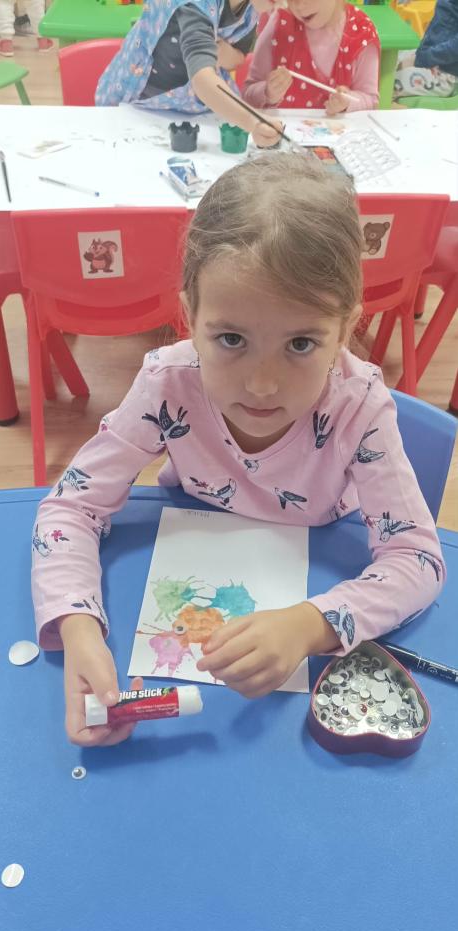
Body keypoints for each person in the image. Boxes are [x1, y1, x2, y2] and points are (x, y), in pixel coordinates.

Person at [31, 152, 445, 748]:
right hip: (187, 563)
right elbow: (71, 507)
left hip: (316, 561)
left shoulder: (359, 407)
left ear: (345, 327)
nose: (262, 385)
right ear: (189, 315)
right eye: (230, 339)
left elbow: (416, 558)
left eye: (301, 343)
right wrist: (78, 629)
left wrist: (310, 624)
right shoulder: (166, 383)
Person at [95, 0, 283, 149]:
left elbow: (238, 57)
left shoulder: (251, 7)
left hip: (192, 104)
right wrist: (253, 121)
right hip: (140, 101)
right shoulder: (196, 5)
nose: (284, 4)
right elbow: (202, 79)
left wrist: (222, 53)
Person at [242, 0, 380, 112]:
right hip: (284, 135)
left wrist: (347, 102)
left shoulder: (362, 32)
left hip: (340, 136)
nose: (299, 5)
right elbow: (247, 94)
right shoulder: (279, 24)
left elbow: (371, 100)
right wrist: (268, 93)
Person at [394, 0, 458, 100]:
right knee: (385, 63)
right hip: (430, 57)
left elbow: (454, 49)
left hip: (445, 74)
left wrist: (422, 59)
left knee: (384, 84)